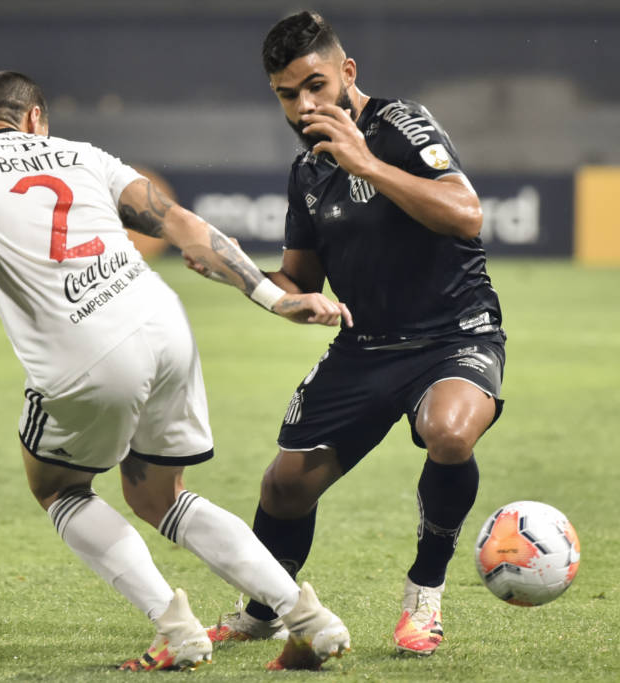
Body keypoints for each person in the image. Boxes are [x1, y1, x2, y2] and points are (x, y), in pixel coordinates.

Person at [0, 71, 353, 671]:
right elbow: (185, 227)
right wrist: (276, 298)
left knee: (58, 488)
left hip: (86, 349)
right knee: (160, 495)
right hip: (163, 324)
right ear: (34, 117)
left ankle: (176, 630)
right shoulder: (82, 155)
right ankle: (305, 617)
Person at [198, 12, 506, 656]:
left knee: (449, 433)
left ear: (347, 72)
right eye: (287, 94)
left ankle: (424, 594)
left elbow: (466, 213)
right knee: (284, 487)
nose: (304, 105)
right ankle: (263, 611)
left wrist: (366, 162)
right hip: (364, 347)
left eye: (316, 85)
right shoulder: (307, 172)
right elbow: (299, 280)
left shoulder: (401, 125)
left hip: (453, 335)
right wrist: (240, 273)